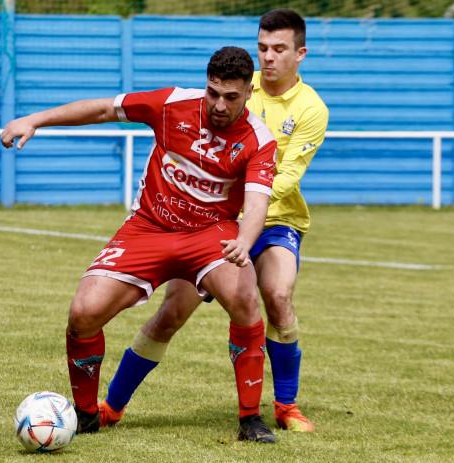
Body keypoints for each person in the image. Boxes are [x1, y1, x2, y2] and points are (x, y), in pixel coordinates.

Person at [1, 46, 279, 442]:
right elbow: (101, 109)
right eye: (212, 92)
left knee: (246, 300)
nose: (218, 104)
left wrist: (244, 241)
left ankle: (250, 418)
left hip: (210, 234)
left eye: (230, 96)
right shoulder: (172, 104)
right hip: (148, 227)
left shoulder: (259, 140)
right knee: (83, 312)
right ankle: (85, 414)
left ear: (249, 92)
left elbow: (256, 204)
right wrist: (35, 120)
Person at [98, 9, 329, 433]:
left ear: (300, 54)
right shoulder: (237, 85)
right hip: (213, 225)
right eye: (262, 47)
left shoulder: (312, 109)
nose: (268, 58)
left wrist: (248, 218)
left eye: (279, 49)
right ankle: (112, 406)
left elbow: (286, 177)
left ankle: (286, 406)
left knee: (276, 296)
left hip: (276, 221)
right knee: (171, 313)